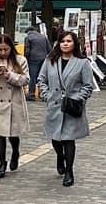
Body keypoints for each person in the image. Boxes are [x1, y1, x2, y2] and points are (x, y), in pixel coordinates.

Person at [37, 31, 95, 187]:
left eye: (69, 41)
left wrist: (78, 98)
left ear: (74, 43)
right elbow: (41, 79)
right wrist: (46, 94)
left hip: (71, 106)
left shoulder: (82, 63)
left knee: (69, 139)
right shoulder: (50, 60)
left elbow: (88, 85)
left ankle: (69, 171)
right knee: (55, 139)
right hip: (54, 105)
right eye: (62, 41)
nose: (65, 43)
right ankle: (59, 156)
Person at [0, 33, 30, 177]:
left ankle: (15, 152)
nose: (3, 52)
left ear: (11, 48)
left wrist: (10, 75)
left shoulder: (20, 60)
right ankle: (2, 163)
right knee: (0, 134)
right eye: (0, 49)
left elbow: (26, 79)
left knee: (13, 135)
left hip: (14, 101)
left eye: (6, 49)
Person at [22, 25, 51, 101]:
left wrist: (26, 59)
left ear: (28, 32)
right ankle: (43, 94)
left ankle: (31, 95)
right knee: (42, 77)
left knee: (33, 77)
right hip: (44, 59)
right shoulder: (43, 37)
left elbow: (27, 50)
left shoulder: (28, 38)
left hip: (33, 59)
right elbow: (49, 49)